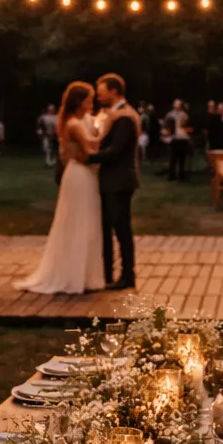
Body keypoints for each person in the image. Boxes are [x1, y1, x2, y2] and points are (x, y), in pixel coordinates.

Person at [16, 81, 104, 294]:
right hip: (79, 175)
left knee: (88, 221)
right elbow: (90, 147)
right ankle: (72, 274)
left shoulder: (82, 120)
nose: (92, 103)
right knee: (77, 222)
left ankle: (86, 274)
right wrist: (107, 126)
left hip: (85, 175)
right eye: (89, 100)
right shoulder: (73, 124)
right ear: (80, 102)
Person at [86, 72, 139, 289]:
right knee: (107, 227)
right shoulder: (112, 115)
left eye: (102, 92)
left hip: (119, 180)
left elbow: (116, 151)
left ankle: (127, 274)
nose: (99, 97)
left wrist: (88, 157)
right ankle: (106, 272)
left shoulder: (125, 116)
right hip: (110, 180)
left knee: (121, 228)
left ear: (114, 91)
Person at [165, 99, 191, 181]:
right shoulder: (170, 115)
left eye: (178, 104)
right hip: (174, 138)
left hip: (183, 138)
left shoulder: (184, 115)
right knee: (173, 157)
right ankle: (172, 175)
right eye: (175, 104)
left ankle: (181, 175)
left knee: (182, 158)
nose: (177, 105)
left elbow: (186, 125)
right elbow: (167, 125)